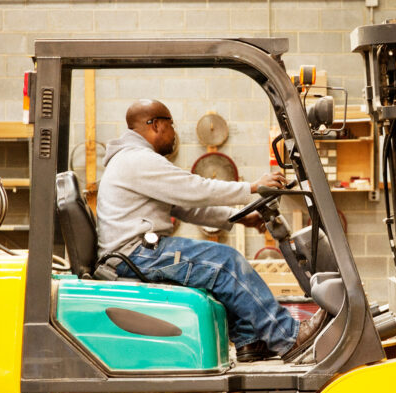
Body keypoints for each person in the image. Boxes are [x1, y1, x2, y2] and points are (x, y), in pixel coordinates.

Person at [95, 98, 323, 362]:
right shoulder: (137, 160)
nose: (174, 133)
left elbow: (185, 207)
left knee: (220, 263)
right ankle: (288, 336)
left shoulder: (134, 160)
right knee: (226, 263)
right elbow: (195, 189)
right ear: (155, 125)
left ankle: (251, 342)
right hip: (135, 256)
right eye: (172, 125)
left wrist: (238, 218)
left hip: (137, 253)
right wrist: (250, 187)